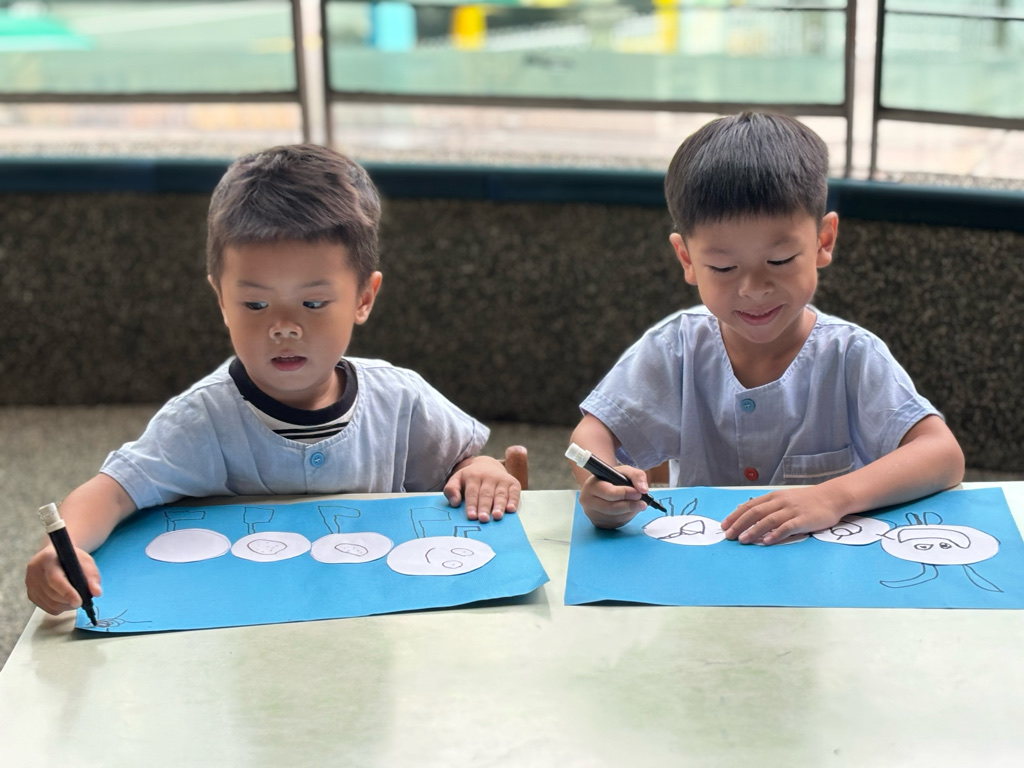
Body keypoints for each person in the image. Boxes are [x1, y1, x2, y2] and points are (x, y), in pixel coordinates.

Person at [27, 144, 520, 615]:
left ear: (364, 298)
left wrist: (481, 470)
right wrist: (62, 550)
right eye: (256, 303)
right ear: (222, 300)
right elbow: (112, 491)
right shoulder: (201, 420)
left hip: (374, 622)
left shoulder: (400, 399)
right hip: (247, 629)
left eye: (313, 302)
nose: (284, 326)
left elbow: (465, 462)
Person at [570, 112, 964, 544]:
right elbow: (591, 434)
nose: (754, 289)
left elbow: (942, 454)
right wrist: (602, 487)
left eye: (780, 260)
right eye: (723, 267)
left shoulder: (850, 355)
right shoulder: (675, 348)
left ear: (823, 241)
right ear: (687, 260)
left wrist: (832, 497)